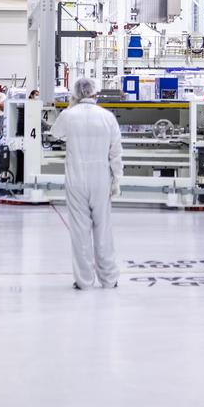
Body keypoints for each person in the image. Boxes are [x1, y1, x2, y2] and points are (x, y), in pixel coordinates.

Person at [52, 75, 123, 291]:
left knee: (80, 231)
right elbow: (116, 152)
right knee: (103, 229)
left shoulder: (68, 115)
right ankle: (109, 279)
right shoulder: (107, 117)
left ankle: (83, 281)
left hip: (76, 178)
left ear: (75, 93)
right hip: (101, 178)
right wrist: (117, 179)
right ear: (95, 93)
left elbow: (55, 133)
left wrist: (71, 110)